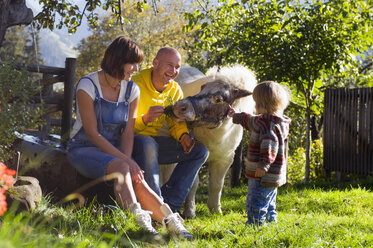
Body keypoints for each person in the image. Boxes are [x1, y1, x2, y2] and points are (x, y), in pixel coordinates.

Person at [67, 36, 194, 239]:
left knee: (135, 176)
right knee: (125, 167)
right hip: (84, 148)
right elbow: (92, 133)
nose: (136, 69)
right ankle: (141, 224)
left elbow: (127, 132)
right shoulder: (87, 85)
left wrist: (129, 162)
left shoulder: (131, 89)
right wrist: (126, 161)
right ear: (117, 61)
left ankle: (170, 222)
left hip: (115, 149)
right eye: (132, 64)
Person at [132, 47, 209, 213]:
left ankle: (171, 203)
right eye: (169, 65)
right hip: (131, 144)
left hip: (154, 145)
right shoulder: (135, 84)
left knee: (200, 151)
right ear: (155, 63)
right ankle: (156, 205)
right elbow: (122, 124)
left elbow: (176, 121)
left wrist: (183, 136)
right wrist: (145, 119)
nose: (174, 71)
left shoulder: (174, 89)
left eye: (177, 67)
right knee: (147, 143)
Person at [229, 81, 291, 226]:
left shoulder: (267, 125)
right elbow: (250, 120)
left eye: (257, 103)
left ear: (264, 104)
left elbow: (269, 146)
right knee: (268, 200)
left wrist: (263, 165)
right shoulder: (274, 121)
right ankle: (271, 223)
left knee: (256, 200)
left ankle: (254, 225)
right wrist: (236, 116)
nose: (255, 106)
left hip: (262, 174)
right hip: (274, 174)